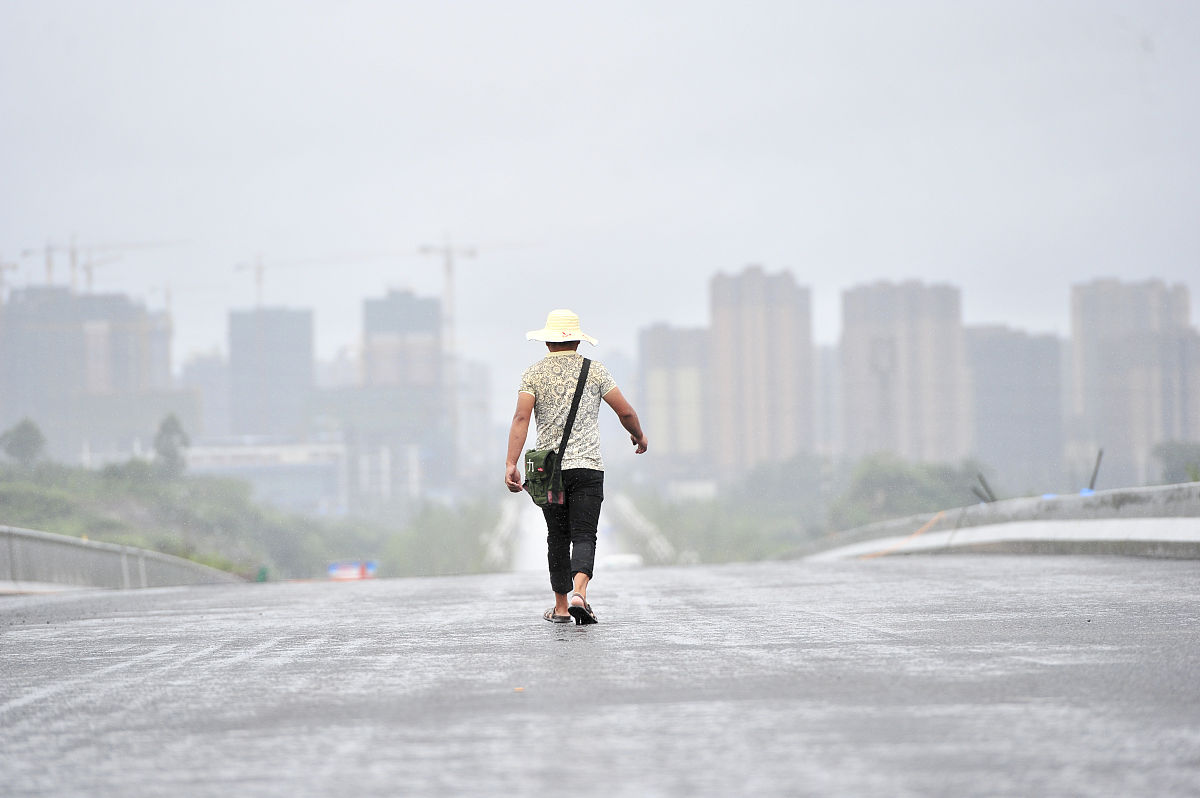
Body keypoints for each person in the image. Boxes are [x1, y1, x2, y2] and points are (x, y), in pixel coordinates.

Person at [505, 309, 648, 625]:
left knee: (556, 535)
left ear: (548, 343)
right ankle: (579, 595)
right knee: (585, 534)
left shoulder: (533, 374)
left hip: (548, 472)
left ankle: (559, 608)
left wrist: (511, 463)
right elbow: (625, 412)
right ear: (577, 342)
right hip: (587, 468)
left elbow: (521, 419)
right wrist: (638, 435)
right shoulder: (596, 372)